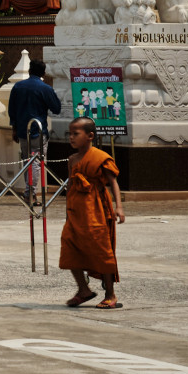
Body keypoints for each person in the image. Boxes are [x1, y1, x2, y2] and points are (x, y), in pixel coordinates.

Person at [60, 117, 123, 309]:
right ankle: (83, 289)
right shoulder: (72, 160)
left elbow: (113, 182)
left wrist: (118, 207)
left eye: (76, 134)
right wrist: (68, 211)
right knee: (70, 247)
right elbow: (71, 186)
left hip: (96, 209)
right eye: (69, 134)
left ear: (90, 136)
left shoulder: (100, 157)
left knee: (101, 250)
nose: (71, 137)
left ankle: (110, 294)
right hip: (76, 211)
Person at [8, 60, 63, 158]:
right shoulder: (45, 89)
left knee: (26, 159)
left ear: (29, 71)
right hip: (38, 131)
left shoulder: (17, 86)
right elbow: (56, 108)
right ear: (44, 73)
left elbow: (12, 110)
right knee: (37, 162)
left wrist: (14, 130)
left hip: (22, 131)